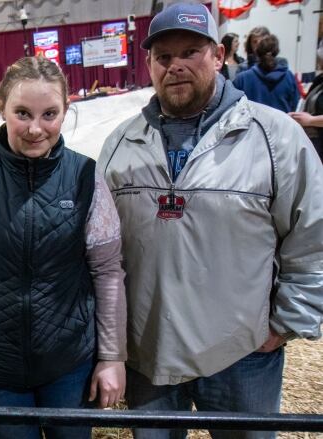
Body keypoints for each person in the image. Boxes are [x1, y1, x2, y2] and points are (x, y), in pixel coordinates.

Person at [98, 3, 323, 438]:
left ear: (218, 56)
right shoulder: (120, 144)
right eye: (163, 57)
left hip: (242, 356)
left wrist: (284, 325)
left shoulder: (274, 138)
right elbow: (101, 250)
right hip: (149, 357)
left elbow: (312, 236)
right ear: (148, 64)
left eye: (190, 52)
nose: (176, 66)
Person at [0, 55, 127, 439]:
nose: (36, 128)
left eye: (49, 114)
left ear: (67, 111)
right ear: (1, 107)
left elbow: (107, 270)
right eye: (22, 113)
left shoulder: (85, 176)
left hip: (69, 363)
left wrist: (112, 356)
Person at [233, 34, 300, 113]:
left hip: (250, 124)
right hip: (282, 124)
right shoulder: (289, 77)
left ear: (257, 52)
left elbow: (232, 107)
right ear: (277, 51)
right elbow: (294, 105)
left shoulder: (242, 79)